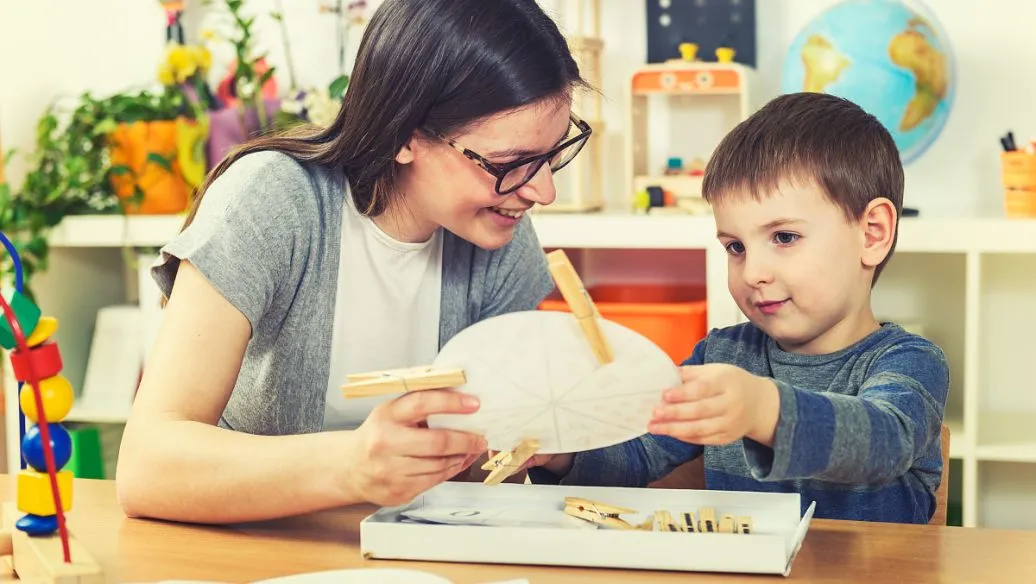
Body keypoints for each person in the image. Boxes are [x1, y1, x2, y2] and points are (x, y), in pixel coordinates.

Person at [116, 0, 593, 524]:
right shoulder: (273, 202)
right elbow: (147, 468)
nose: (542, 191)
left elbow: (477, 479)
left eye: (551, 156)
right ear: (406, 134)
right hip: (249, 550)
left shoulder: (500, 241)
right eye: (511, 164)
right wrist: (351, 466)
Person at [527, 92, 950, 524]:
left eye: (783, 238)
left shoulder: (909, 362)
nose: (752, 273)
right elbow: (638, 455)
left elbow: (883, 442)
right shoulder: (721, 356)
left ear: (872, 234)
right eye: (735, 247)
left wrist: (763, 410)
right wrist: (565, 454)